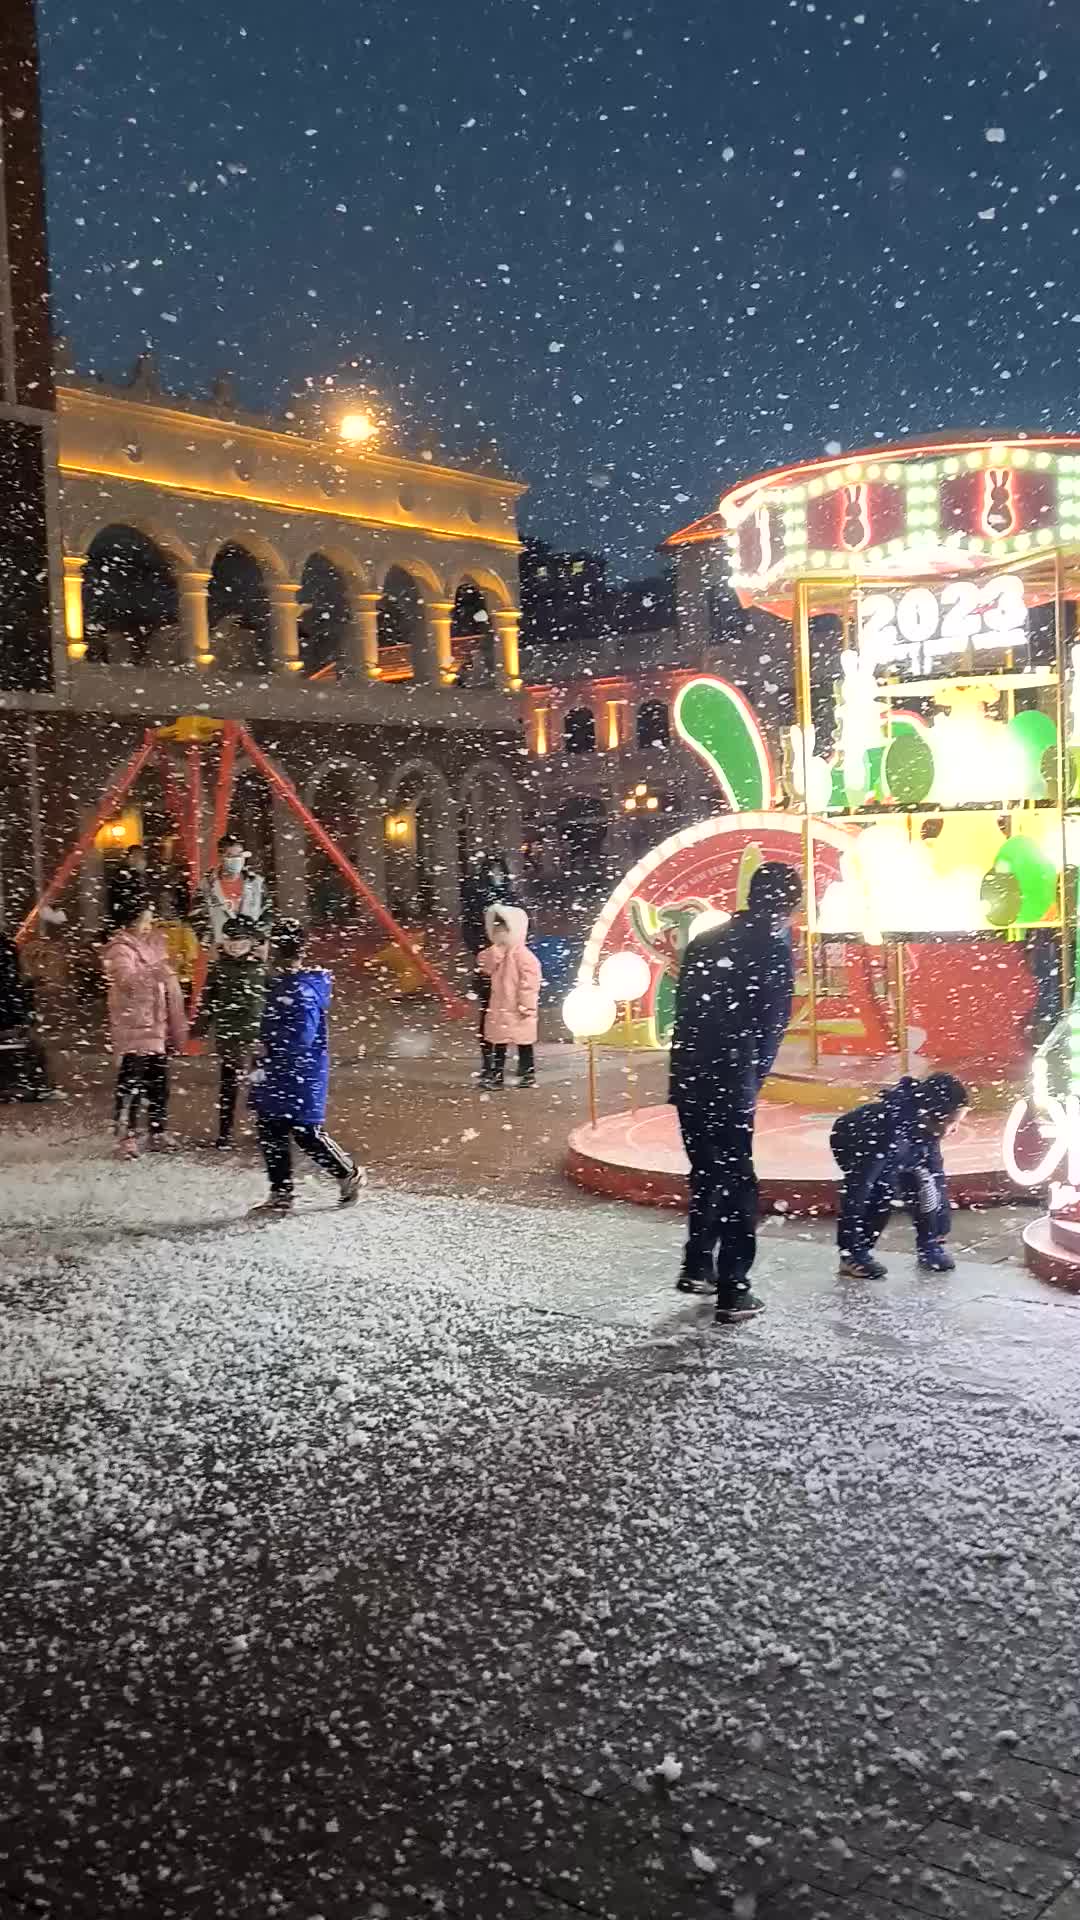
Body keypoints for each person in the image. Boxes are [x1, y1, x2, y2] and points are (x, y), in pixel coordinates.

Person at [669, 861, 802, 1323]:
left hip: (689, 1076)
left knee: (706, 1171)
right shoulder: (771, 949)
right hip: (729, 1079)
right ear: (789, 906)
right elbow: (770, 1026)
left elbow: (685, 1013)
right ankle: (734, 1287)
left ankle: (698, 1264)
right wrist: (750, 1078)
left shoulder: (706, 942)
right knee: (737, 1180)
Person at [249, 919, 362, 1214]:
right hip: (280, 1072)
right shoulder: (282, 986)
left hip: (297, 1073)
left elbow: (301, 1038)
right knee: (271, 1130)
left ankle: (347, 1173)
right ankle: (281, 1193)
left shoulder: (299, 991)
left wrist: (266, 1044)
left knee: (305, 1132)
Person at [830, 1072, 969, 1279]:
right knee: (880, 1193)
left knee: (925, 1184)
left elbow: (937, 1179)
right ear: (929, 1115)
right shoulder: (886, 1132)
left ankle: (929, 1245)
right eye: (951, 1122)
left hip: (900, 1149)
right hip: (851, 1140)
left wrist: (939, 1231)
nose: (955, 1129)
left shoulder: (928, 1130)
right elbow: (855, 1194)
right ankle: (855, 1256)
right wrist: (848, 1246)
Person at [103, 896, 188, 1156]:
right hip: (134, 1027)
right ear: (131, 921)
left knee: (158, 1083)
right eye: (145, 920)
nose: (149, 925)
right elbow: (126, 981)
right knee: (132, 1084)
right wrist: (155, 973)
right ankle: (126, 1135)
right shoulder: (120, 950)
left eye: (151, 920)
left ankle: (157, 1129)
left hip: (155, 1027)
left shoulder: (153, 946)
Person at [191, 913, 267, 1148]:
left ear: (251, 942)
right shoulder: (218, 969)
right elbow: (208, 1000)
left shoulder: (261, 969)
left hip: (256, 1035)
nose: (235, 945)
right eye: (231, 939)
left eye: (241, 940)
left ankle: (265, 1128)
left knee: (260, 1082)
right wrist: (200, 1028)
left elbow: (272, 1000)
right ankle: (225, 1131)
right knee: (229, 1082)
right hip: (229, 1035)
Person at [461, 852, 517, 1079]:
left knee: (498, 1018)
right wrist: (483, 952)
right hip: (489, 966)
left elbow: (522, 928)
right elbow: (469, 930)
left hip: (505, 965)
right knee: (488, 1017)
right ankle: (489, 1065)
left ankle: (497, 1067)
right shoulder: (478, 899)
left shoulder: (509, 900)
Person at [475, 905, 542, 1089]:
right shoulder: (496, 954)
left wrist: (527, 1005)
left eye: (504, 928)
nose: (500, 932)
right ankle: (497, 1076)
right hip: (499, 1007)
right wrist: (496, 951)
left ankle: (527, 1073)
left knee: (524, 1043)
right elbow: (483, 965)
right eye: (496, 928)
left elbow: (530, 983)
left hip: (518, 1008)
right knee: (499, 1042)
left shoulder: (524, 957)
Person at [0, 934, 55, 1101]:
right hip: (8, 1022)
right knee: (32, 1048)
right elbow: (13, 996)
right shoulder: (8, 963)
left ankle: (26, 1084)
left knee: (31, 1047)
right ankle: (30, 1085)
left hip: (9, 1020)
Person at [197, 834, 272, 950]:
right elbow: (197, 917)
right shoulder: (207, 885)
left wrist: (256, 938)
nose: (236, 860)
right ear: (221, 857)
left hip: (251, 951)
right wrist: (209, 942)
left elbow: (268, 914)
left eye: (239, 855)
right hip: (220, 950)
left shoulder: (256, 883)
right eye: (230, 856)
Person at [158, 887, 200, 1011]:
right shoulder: (153, 927)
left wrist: (177, 962)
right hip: (160, 979)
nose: (165, 907)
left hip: (180, 978)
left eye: (169, 903)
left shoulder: (184, 929)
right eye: (162, 903)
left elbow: (191, 953)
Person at [107, 844, 151, 930]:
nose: (141, 860)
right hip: (127, 922)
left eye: (142, 857)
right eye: (137, 856)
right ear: (129, 858)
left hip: (133, 921)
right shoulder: (123, 876)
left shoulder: (139, 876)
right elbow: (125, 899)